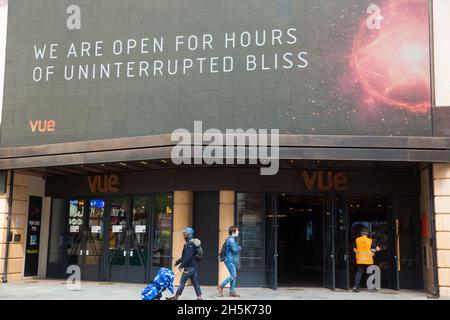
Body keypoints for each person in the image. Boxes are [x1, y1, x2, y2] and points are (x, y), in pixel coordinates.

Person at [166, 227, 203, 300]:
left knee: (182, 282)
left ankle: (176, 297)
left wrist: (181, 266)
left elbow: (188, 257)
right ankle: (200, 297)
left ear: (189, 234)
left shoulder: (190, 244)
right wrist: (177, 262)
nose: (183, 235)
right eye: (183, 234)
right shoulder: (189, 244)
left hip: (189, 267)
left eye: (185, 234)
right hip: (193, 266)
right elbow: (185, 257)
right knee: (195, 282)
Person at [352, 227, 381, 292]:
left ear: (361, 233)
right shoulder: (370, 241)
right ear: (367, 234)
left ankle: (355, 287)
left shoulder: (357, 240)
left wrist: (358, 253)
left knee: (359, 273)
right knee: (370, 273)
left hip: (360, 259)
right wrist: (372, 252)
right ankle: (371, 288)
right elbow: (378, 249)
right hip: (368, 260)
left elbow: (354, 249)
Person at [217, 226, 242, 297]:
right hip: (229, 260)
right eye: (237, 231)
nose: (238, 232)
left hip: (231, 259)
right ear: (233, 232)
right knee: (233, 275)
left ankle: (231, 291)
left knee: (233, 276)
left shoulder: (231, 239)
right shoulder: (231, 240)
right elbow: (235, 249)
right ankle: (221, 286)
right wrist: (239, 247)